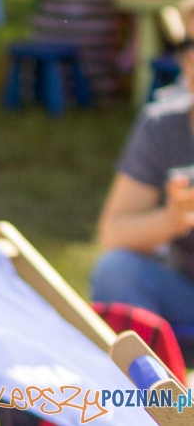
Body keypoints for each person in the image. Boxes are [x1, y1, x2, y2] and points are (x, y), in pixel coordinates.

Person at [91, 83, 194, 364]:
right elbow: (114, 231)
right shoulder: (165, 123)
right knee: (115, 270)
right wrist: (171, 221)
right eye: (187, 46)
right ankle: (154, 400)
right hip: (184, 293)